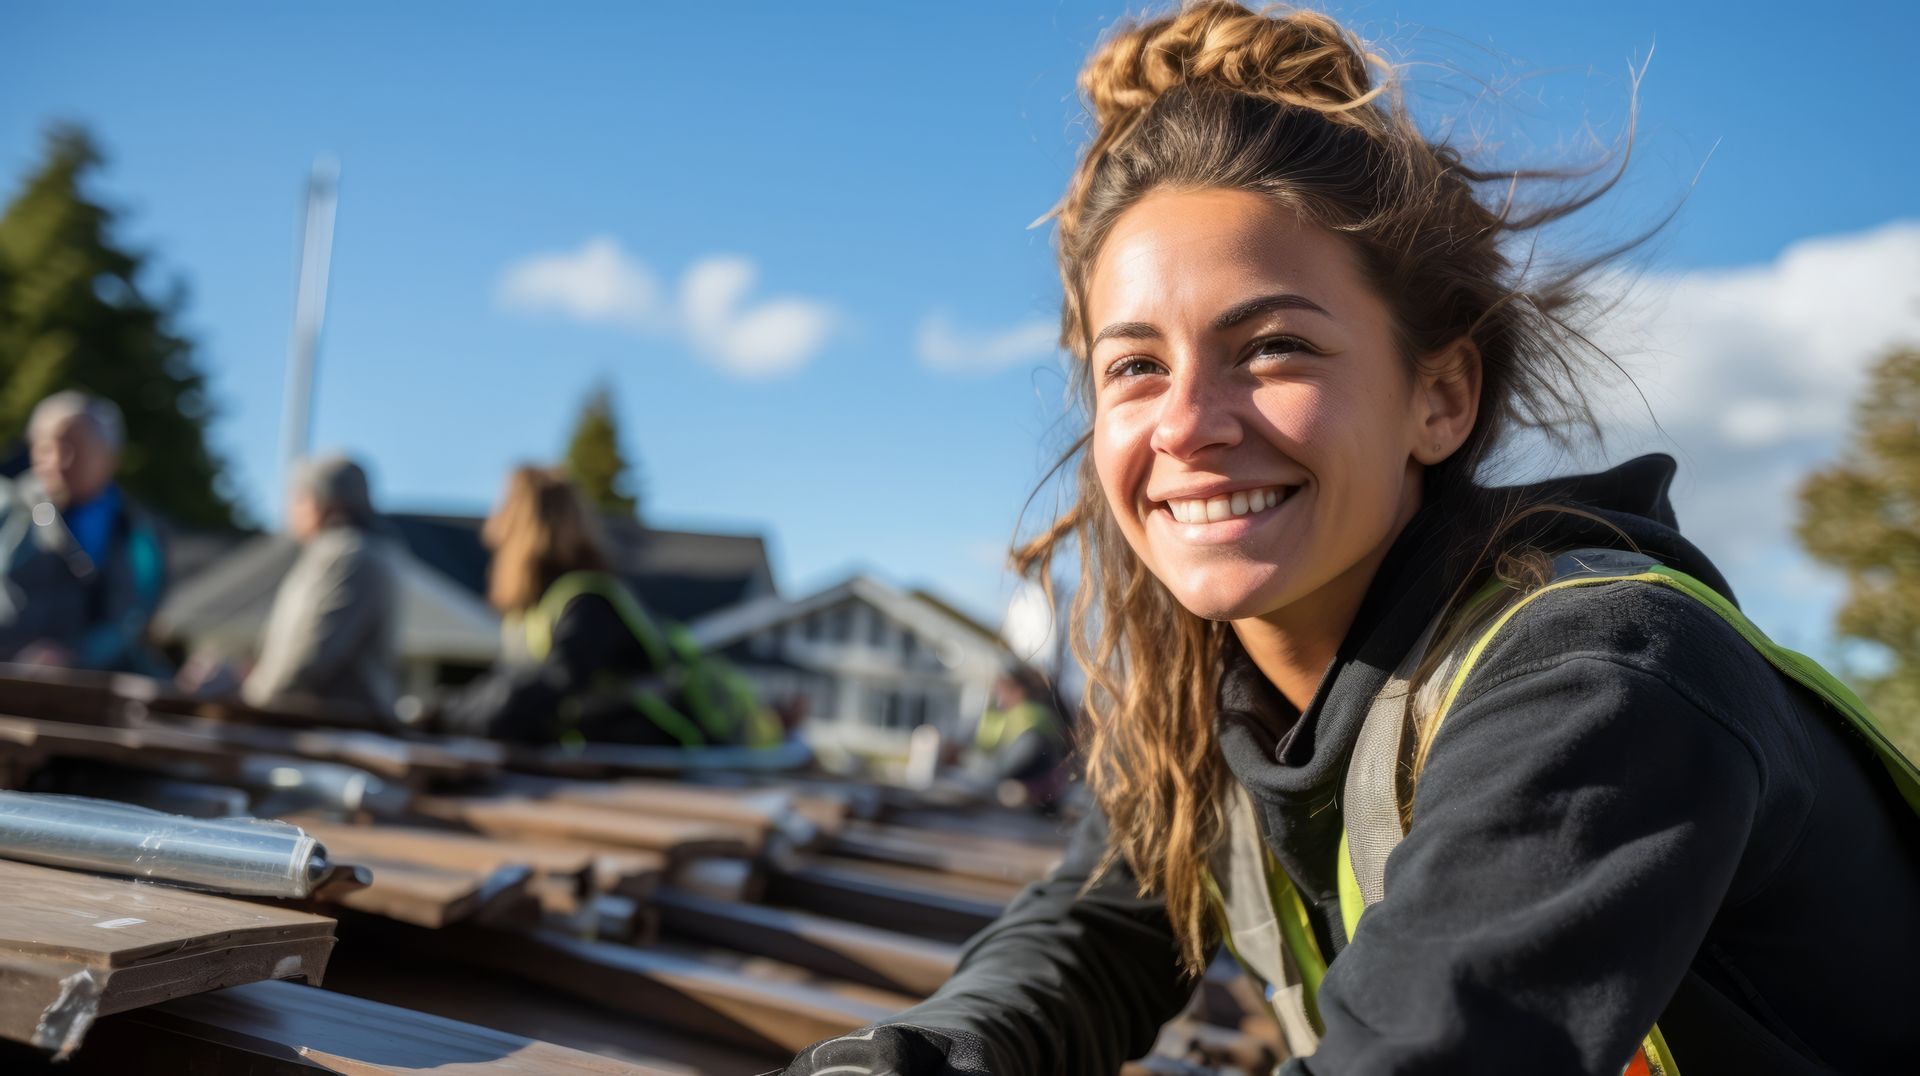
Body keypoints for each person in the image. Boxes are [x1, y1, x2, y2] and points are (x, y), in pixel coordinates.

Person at [785, 5, 1920, 1075]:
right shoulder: (1220, 700)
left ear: (1441, 396)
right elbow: (1080, 939)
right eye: (1136, 366)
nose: (1186, 421)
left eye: (1272, 347)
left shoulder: (1603, 683)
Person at [436, 465, 779, 748]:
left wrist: (445, 719)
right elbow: (509, 685)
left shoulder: (588, 603)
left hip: (658, 763)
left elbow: (539, 693)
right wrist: (448, 711)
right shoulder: (542, 611)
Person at [0, 390, 167, 673]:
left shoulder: (136, 531)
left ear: (110, 457)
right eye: (45, 448)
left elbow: (133, 616)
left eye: (75, 447)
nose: (59, 461)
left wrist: (74, 654)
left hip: (92, 682)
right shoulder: (9, 507)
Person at [241, 455, 399, 716]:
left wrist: (252, 700)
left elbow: (308, 656)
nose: (291, 508)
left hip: (330, 728)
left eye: (300, 497)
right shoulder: (355, 552)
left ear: (328, 502)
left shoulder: (347, 555)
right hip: (326, 724)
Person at [965, 666, 1070, 809]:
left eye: (1001, 691)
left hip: (1035, 800)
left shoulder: (1031, 722)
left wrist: (962, 758)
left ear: (1018, 692)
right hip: (1041, 797)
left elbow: (1003, 768)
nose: (998, 698)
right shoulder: (1034, 715)